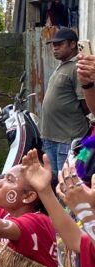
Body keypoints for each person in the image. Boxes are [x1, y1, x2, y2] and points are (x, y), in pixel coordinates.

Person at [41, 28, 90, 173]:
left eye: (59, 44)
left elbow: (86, 104)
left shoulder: (77, 68)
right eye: (53, 45)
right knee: (56, 184)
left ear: (73, 45)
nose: (55, 48)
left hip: (67, 140)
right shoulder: (62, 67)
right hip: (50, 139)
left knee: (68, 184)